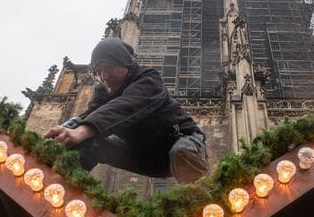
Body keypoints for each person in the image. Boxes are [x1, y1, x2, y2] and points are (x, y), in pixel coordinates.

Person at [45, 38, 209, 183]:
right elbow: (89, 115)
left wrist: (80, 131)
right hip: (145, 157)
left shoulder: (149, 79)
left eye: (108, 68)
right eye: (99, 71)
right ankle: (59, 183)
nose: (104, 76)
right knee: (90, 142)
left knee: (181, 152)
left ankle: (204, 207)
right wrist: (65, 131)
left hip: (180, 144)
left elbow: (126, 106)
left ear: (124, 62)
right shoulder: (103, 92)